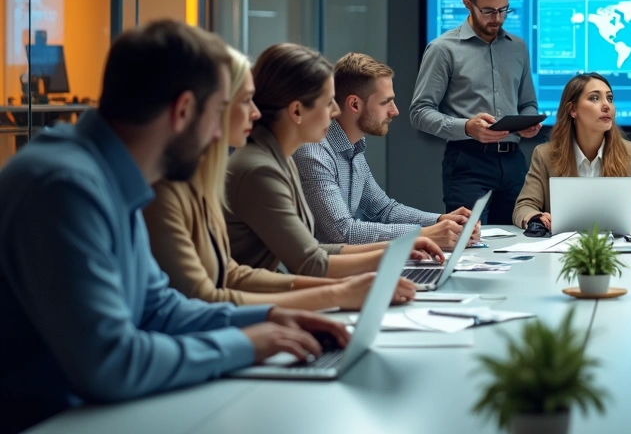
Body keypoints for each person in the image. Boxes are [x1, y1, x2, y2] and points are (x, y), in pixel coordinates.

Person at [0, 21, 347, 430]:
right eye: (219, 111)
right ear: (183, 110)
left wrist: (267, 318)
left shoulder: (109, 175)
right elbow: (112, 363)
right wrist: (241, 344)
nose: (220, 133)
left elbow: (159, 309)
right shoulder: (65, 187)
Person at [145, 47, 418, 310]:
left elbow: (231, 274)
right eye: (242, 101)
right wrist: (337, 292)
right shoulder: (252, 169)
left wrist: (384, 258)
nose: (255, 112)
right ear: (185, 110)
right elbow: (207, 295)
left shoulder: (264, 162)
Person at [226, 43, 442, 277]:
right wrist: (411, 240)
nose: (336, 112)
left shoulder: (281, 159)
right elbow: (312, 259)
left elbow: (312, 252)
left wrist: (401, 246)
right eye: (329, 102)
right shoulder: (264, 167)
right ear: (297, 112)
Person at [296, 52, 478, 250]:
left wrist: (441, 221)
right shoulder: (315, 153)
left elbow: (383, 209)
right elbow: (342, 233)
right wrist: (424, 234)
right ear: (354, 104)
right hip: (320, 276)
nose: (395, 111)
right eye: (385, 102)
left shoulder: (354, 148)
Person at [409, 0, 542, 225]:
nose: (497, 18)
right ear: (468, 4)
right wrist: (467, 127)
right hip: (468, 161)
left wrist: (528, 122)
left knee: (519, 241)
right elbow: (419, 112)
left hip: (514, 162)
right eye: (488, 11)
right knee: (469, 242)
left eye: (503, 10)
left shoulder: (518, 48)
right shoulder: (443, 49)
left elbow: (528, 103)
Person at [513, 73, 631, 231]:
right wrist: (535, 218)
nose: (606, 106)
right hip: (563, 250)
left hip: (615, 249)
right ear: (572, 109)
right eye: (594, 98)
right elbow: (524, 207)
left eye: (610, 98)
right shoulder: (545, 154)